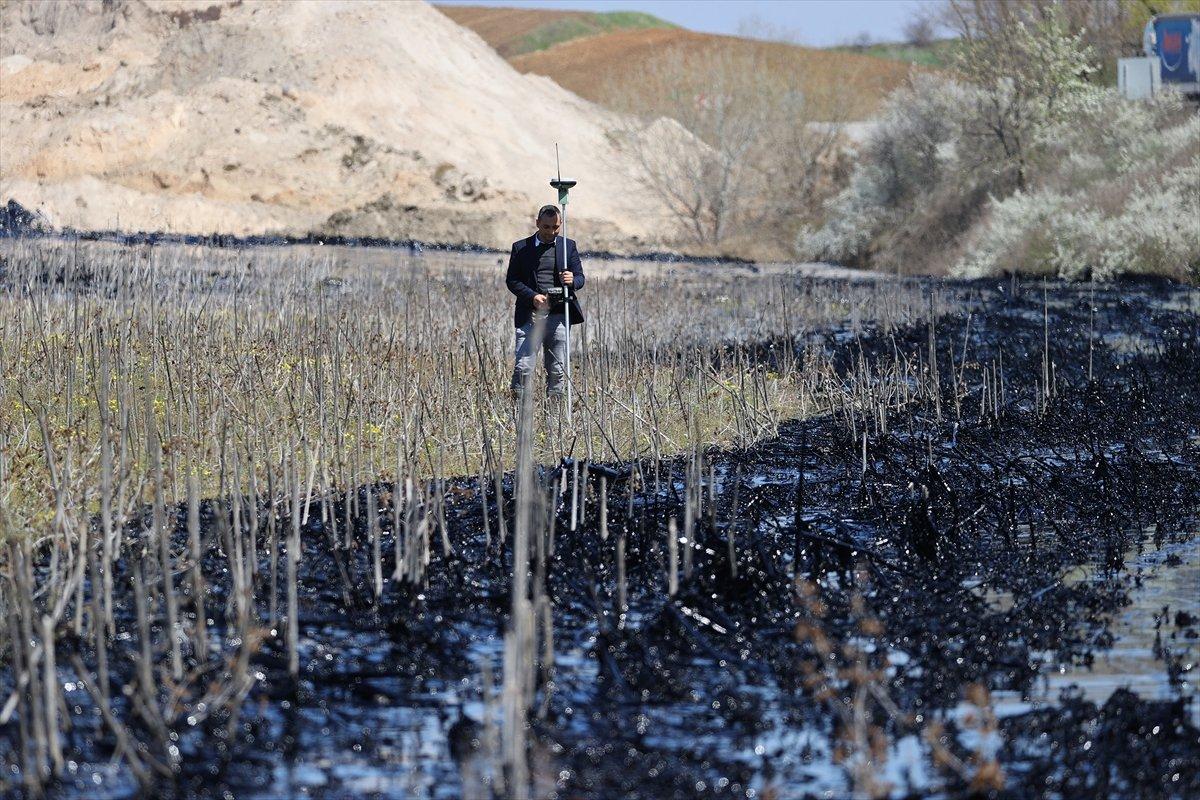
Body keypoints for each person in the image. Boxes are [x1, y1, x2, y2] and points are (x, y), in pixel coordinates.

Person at [506, 204, 585, 400]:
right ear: (537, 224)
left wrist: (572, 280)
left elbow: (581, 278)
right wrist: (532, 297)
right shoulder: (520, 248)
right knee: (523, 367)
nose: (551, 231)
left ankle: (555, 414)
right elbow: (512, 280)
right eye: (547, 227)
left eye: (556, 227)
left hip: (558, 315)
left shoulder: (569, 246)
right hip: (530, 315)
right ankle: (519, 411)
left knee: (557, 370)